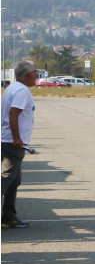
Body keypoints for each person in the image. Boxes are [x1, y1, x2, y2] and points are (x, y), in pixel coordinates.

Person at [1, 61, 38, 228]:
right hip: (12, 143)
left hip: (7, 140)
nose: (37, 75)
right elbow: (13, 114)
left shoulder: (13, 87)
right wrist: (17, 138)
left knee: (14, 180)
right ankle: (8, 216)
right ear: (27, 75)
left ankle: (9, 216)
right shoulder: (22, 91)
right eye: (35, 72)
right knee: (6, 179)